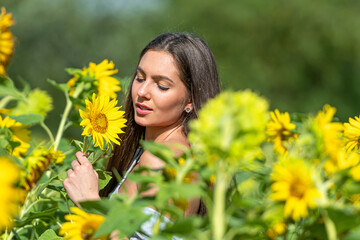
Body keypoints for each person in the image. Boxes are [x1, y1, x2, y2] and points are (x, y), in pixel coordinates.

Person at [63, 32, 221, 239]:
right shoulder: (164, 151)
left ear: (190, 99)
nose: (142, 91)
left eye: (161, 85)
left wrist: (90, 203)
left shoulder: (161, 159)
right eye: (139, 78)